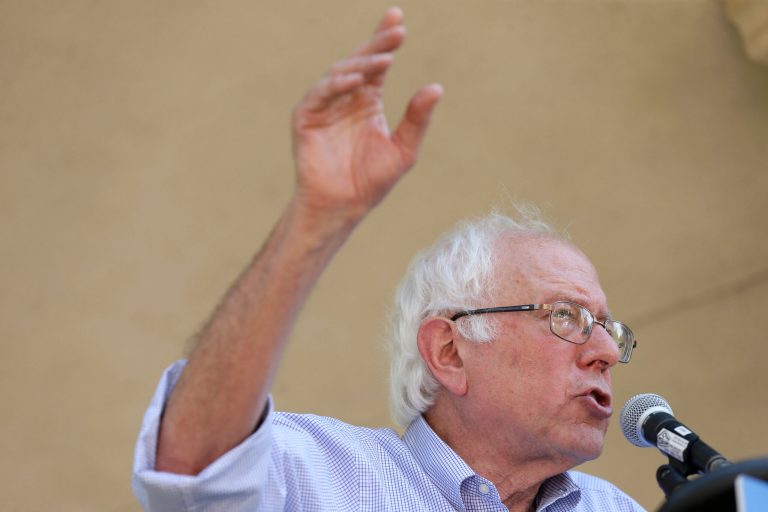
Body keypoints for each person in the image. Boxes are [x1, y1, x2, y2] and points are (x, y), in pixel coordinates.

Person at [132, 7, 645, 512]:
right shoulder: (323, 477)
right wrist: (316, 218)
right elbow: (191, 472)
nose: (604, 351)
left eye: (606, 326)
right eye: (564, 316)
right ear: (449, 352)